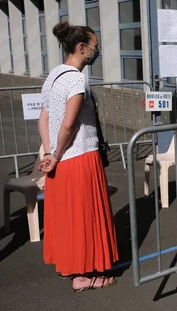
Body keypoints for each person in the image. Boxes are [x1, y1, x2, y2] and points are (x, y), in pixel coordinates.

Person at [38, 21, 118, 292]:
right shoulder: (76, 78)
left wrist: (49, 153)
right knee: (84, 218)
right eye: (94, 47)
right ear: (82, 48)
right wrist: (58, 154)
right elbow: (69, 124)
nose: (96, 51)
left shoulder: (53, 76)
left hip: (61, 159)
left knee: (67, 219)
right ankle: (83, 276)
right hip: (79, 156)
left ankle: (72, 268)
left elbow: (44, 118)